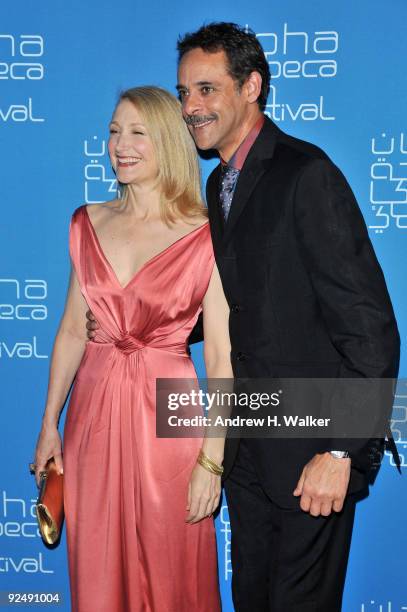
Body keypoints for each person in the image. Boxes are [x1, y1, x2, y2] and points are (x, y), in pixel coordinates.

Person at [85, 24, 400, 612]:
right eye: (184, 93)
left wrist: (340, 453)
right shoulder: (219, 183)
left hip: (312, 449)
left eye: (206, 90)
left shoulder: (307, 175)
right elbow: (238, 305)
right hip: (246, 446)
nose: (191, 108)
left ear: (251, 86)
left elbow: (370, 325)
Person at [32, 86, 232, 612]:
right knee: (97, 568)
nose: (121, 145)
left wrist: (212, 462)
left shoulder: (208, 235)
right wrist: (50, 421)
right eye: (114, 131)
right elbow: (75, 329)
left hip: (170, 420)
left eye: (137, 132)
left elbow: (220, 360)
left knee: (173, 571)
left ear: (167, 141)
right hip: (91, 418)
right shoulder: (87, 223)